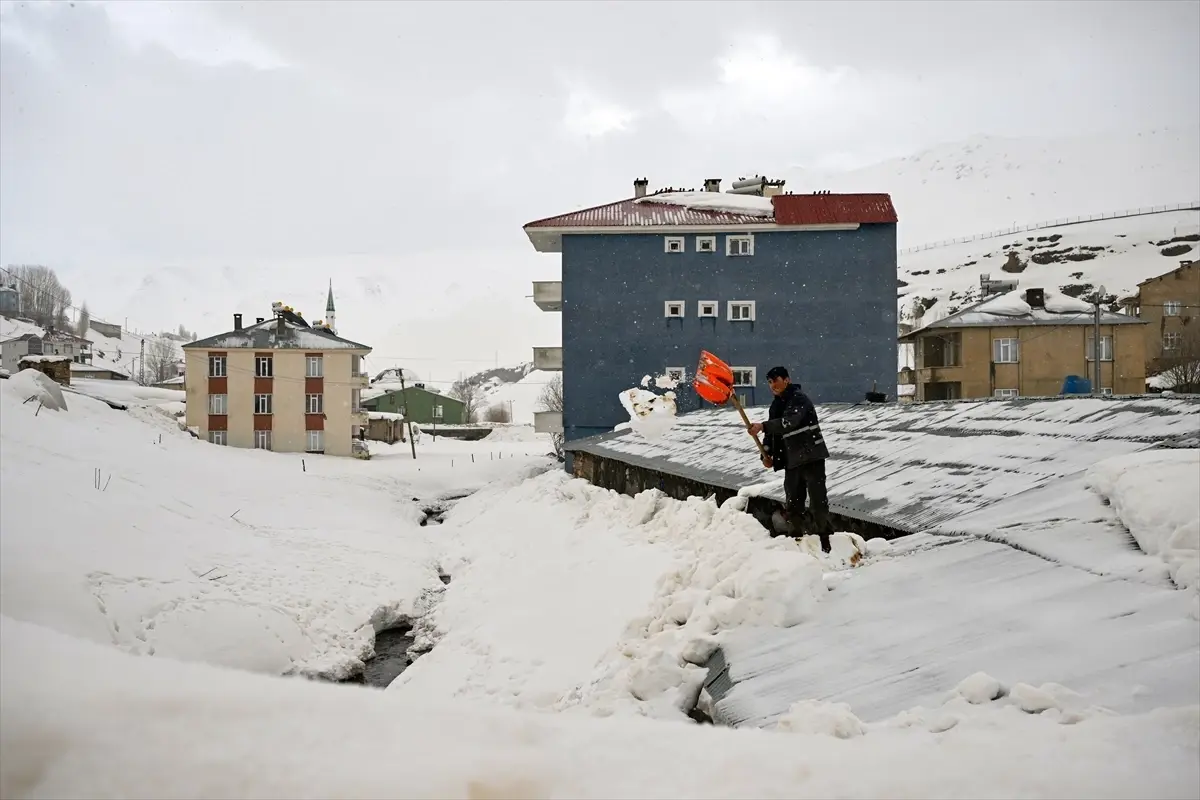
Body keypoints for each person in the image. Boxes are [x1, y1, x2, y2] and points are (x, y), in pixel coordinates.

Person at [748, 367, 833, 553]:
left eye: (775, 380)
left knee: (818, 502)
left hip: (811, 458)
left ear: (787, 380)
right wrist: (766, 454)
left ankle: (826, 542)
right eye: (769, 382)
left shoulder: (798, 399)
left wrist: (762, 426)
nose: (772, 386)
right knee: (793, 503)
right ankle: (797, 541)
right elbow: (771, 437)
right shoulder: (776, 406)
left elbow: (788, 423)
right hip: (792, 461)